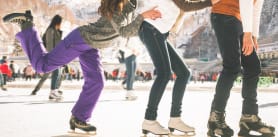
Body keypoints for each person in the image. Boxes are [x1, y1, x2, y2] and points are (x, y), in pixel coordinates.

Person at [3, 0, 161, 134]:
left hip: (92, 46)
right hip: (80, 40)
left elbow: (131, 27)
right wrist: (143, 16)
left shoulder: (129, 6)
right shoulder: (117, 7)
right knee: (42, 66)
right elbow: (124, 31)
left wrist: (144, 17)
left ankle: (79, 118)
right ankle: (27, 24)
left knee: (97, 81)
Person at [138, 0, 219, 136]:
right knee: (164, 74)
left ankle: (175, 118)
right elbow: (185, 5)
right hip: (151, 29)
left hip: (159, 33)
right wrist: (210, 2)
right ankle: (149, 119)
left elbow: (183, 7)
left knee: (183, 73)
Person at [207, 0, 275, 137]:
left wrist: (253, 35)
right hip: (224, 14)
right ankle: (215, 118)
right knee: (231, 67)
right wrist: (248, 34)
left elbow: (255, 8)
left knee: (252, 66)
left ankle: (249, 118)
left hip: (240, 19)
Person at [30, 15, 64, 101]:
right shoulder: (50, 30)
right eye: (60, 22)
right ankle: (52, 91)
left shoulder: (56, 31)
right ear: (57, 22)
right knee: (54, 73)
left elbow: (59, 44)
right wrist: (53, 56)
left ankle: (54, 90)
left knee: (59, 73)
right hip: (51, 56)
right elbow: (49, 45)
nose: (61, 24)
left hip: (57, 56)